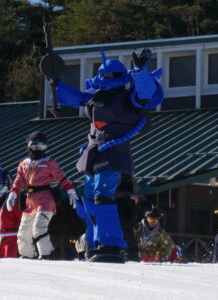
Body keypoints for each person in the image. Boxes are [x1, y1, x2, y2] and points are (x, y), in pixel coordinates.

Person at [53, 48, 164, 263]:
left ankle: (111, 243)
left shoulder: (128, 97)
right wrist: (55, 82)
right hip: (93, 151)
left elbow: (145, 93)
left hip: (113, 151)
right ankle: (95, 243)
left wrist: (140, 70)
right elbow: (76, 98)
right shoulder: (95, 96)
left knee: (104, 197)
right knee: (89, 199)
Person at [7, 132, 78, 259]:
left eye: (41, 146)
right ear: (28, 146)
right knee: (23, 232)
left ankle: (46, 254)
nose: (38, 149)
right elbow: (19, 181)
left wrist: (70, 190)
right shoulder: (24, 164)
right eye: (34, 146)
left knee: (39, 228)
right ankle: (27, 255)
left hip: (45, 200)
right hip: (30, 201)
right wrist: (13, 194)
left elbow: (61, 177)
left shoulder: (49, 162)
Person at [0, 178, 22, 259]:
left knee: (8, 261)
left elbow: (21, 220)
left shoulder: (11, 203)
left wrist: (24, 235)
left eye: (0, 186)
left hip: (12, 238)